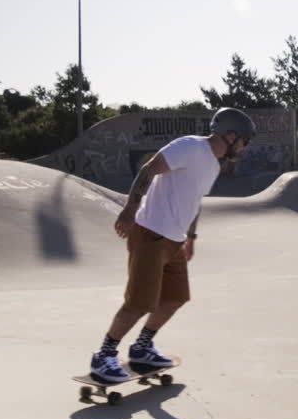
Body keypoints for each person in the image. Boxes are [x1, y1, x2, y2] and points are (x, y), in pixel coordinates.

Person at [89, 107, 257, 383]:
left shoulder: (214, 165)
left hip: (175, 241)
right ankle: (104, 356)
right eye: (244, 141)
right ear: (230, 135)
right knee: (139, 302)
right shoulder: (189, 147)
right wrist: (130, 210)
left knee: (175, 298)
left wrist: (190, 237)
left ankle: (142, 347)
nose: (245, 148)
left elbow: (195, 200)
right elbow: (149, 169)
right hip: (150, 233)